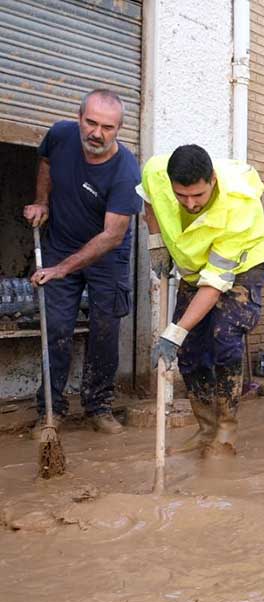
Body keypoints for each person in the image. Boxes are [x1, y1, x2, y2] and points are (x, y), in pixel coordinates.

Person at [141, 145, 264, 456]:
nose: (190, 204)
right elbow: (149, 197)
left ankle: (226, 430)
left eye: (198, 196)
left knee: (223, 336)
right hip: (195, 265)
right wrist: (155, 241)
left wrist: (174, 332)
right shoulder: (155, 172)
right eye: (181, 196)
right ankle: (205, 430)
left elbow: (214, 285)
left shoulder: (238, 207)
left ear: (212, 180)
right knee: (189, 351)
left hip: (244, 264)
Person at [24, 90, 141, 434]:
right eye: (91, 122)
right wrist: (41, 201)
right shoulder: (60, 135)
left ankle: (98, 406)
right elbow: (45, 161)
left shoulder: (125, 171)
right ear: (79, 119)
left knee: (105, 329)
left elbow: (112, 236)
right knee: (56, 326)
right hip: (60, 243)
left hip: (107, 257)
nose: (97, 133)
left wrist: (60, 269)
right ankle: (51, 410)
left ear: (118, 129)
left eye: (107, 127)